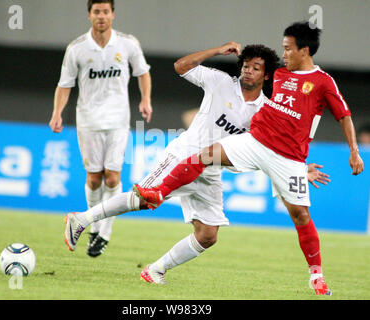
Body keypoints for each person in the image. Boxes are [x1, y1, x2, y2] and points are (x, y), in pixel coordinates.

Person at [64, 42, 330, 285]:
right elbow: (180, 66)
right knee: (145, 200)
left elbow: (267, 150)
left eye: (256, 68)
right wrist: (215, 51)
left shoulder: (265, 109)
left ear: (267, 75)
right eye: (246, 65)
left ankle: (155, 269)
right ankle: (82, 219)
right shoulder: (220, 81)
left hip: (211, 170)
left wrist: (298, 168)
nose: (248, 71)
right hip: (184, 155)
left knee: (207, 235)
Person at [134, 21, 364, 296]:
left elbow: (344, 114)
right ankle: (159, 192)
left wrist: (353, 151)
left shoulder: (323, 82)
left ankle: (317, 276)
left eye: (289, 49)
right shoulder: (278, 74)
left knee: (300, 215)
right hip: (255, 141)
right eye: (283, 49)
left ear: (304, 50)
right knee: (203, 155)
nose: (285, 54)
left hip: (288, 158)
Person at [50, 0, 152, 258]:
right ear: (89, 15)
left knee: (112, 178)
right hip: (88, 120)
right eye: (97, 12)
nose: (101, 16)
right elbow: (64, 84)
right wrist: (57, 113)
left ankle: (104, 233)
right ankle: (94, 225)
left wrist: (145, 100)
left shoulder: (128, 43)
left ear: (113, 15)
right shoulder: (77, 48)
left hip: (118, 120)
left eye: (106, 11)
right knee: (94, 179)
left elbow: (143, 72)